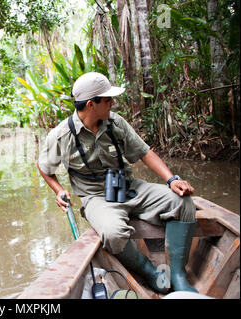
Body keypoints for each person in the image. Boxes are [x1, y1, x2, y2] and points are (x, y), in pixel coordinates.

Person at [37, 72, 198, 293]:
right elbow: (44, 168)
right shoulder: (61, 136)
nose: (113, 102)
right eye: (108, 99)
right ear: (91, 104)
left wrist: (171, 179)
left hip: (130, 187)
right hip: (96, 198)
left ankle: (179, 276)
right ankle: (150, 273)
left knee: (184, 203)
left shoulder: (115, 122)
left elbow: (145, 153)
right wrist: (58, 190)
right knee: (112, 234)